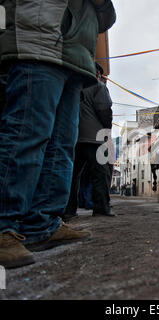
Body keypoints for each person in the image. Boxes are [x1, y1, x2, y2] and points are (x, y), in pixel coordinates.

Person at [0, 0, 116, 269]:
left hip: (75, 58)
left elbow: (106, 19)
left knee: (61, 146)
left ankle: (42, 223)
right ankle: (4, 224)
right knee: (27, 134)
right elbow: (105, 111)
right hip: (40, 40)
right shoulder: (101, 92)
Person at [63, 62, 115, 222]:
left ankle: (68, 210)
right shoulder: (98, 86)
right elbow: (104, 109)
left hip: (75, 136)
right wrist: (107, 128)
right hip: (96, 137)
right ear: (98, 74)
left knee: (73, 175)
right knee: (101, 173)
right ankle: (101, 208)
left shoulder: (73, 86)